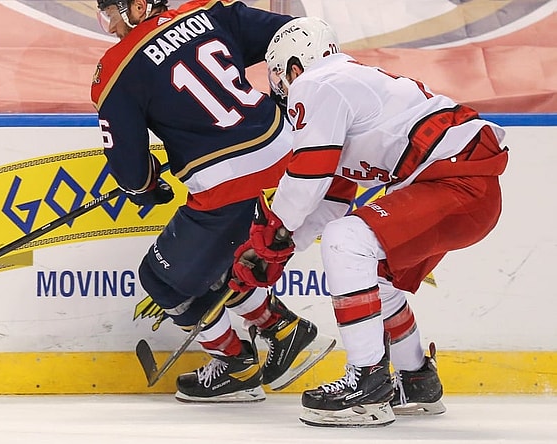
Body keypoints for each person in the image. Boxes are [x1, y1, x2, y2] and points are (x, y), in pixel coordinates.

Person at [232, 16, 509, 426]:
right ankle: (416, 380)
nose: (280, 91)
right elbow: (332, 199)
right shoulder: (348, 93)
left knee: (347, 241)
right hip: (463, 187)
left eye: (278, 77)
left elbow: (306, 179)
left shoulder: (318, 83)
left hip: (458, 183)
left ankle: (367, 385)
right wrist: (283, 246)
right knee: (373, 273)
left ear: (294, 67)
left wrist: (271, 234)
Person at [91, 0, 335, 403]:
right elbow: (294, 35)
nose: (111, 26)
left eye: (111, 14)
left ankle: (235, 364)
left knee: (162, 280)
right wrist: (282, 97)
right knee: (219, 266)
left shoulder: (116, 68)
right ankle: (284, 330)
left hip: (231, 182)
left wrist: (148, 186)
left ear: (137, 6)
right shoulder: (207, 11)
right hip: (290, 154)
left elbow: (131, 170)